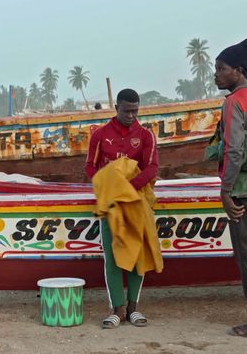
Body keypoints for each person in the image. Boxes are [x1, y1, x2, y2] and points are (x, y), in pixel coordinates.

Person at [85, 88, 161, 329]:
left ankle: (133, 308)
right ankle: (116, 308)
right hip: (111, 205)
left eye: (135, 111)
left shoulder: (146, 135)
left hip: (137, 203)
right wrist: (110, 187)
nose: (131, 115)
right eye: (127, 110)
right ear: (116, 108)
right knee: (114, 256)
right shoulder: (100, 135)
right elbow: (90, 167)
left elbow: (152, 168)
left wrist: (127, 188)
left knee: (138, 254)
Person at [213, 37, 247, 338]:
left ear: (238, 71)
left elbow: (234, 150)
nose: (216, 74)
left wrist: (226, 191)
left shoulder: (233, 102)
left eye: (221, 68)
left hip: (243, 190)